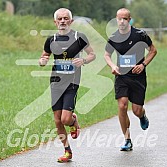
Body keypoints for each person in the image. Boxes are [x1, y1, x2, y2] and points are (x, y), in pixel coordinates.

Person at [39, 8, 95, 162]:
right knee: (57, 119)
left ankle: (73, 121)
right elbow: (44, 55)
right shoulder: (51, 40)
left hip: (72, 82)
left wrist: (83, 60)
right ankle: (67, 151)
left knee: (65, 119)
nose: (63, 21)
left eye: (65, 18)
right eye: (60, 19)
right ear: (55, 22)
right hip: (56, 83)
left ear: (71, 21)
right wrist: (42, 61)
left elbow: (92, 54)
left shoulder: (79, 37)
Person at [104, 8, 157, 151]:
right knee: (122, 105)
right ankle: (127, 139)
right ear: (116, 19)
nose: (121, 21)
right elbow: (107, 55)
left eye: (125, 19)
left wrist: (143, 64)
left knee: (136, 110)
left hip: (138, 77)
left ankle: (142, 115)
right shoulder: (114, 37)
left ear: (129, 20)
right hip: (122, 76)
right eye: (119, 19)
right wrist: (112, 65)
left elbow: (153, 50)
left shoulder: (140, 35)